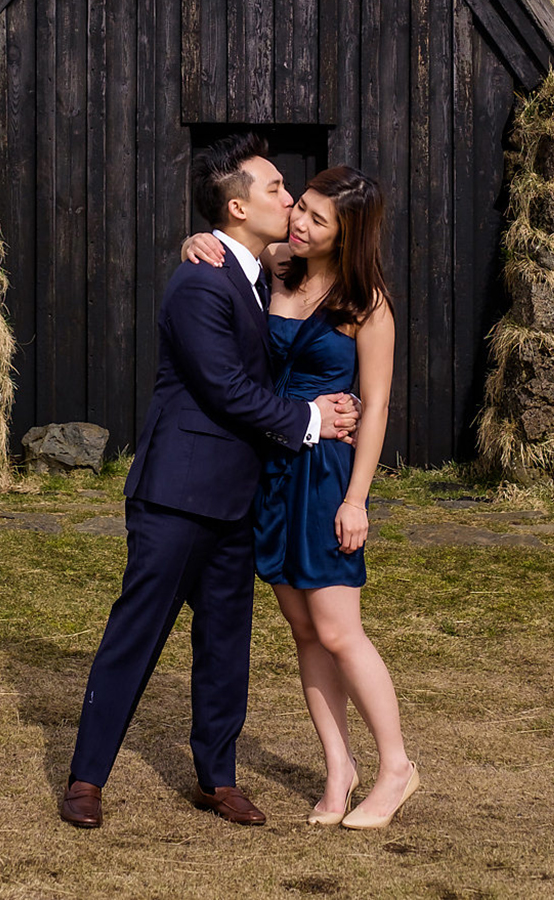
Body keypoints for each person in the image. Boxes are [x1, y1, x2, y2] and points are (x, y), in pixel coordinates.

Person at [61, 133, 360, 830]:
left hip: (237, 500)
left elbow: (291, 274)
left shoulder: (261, 269)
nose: (288, 200)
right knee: (136, 634)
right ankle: (86, 778)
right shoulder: (199, 279)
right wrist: (310, 418)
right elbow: (224, 388)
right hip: (177, 494)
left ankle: (216, 778)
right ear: (235, 207)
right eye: (275, 190)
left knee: (226, 645)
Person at [183, 165, 418, 829]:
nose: (299, 222)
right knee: (304, 630)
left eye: (318, 218)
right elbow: (221, 252)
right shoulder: (278, 266)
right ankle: (338, 768)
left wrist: (357, 499)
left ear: (349, 236)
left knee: (341, 630)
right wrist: (192, 244)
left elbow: (373, 411)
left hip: (326, 478)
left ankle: (396, 766)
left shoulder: (368, 304)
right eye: (302, 208)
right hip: (271, 470)